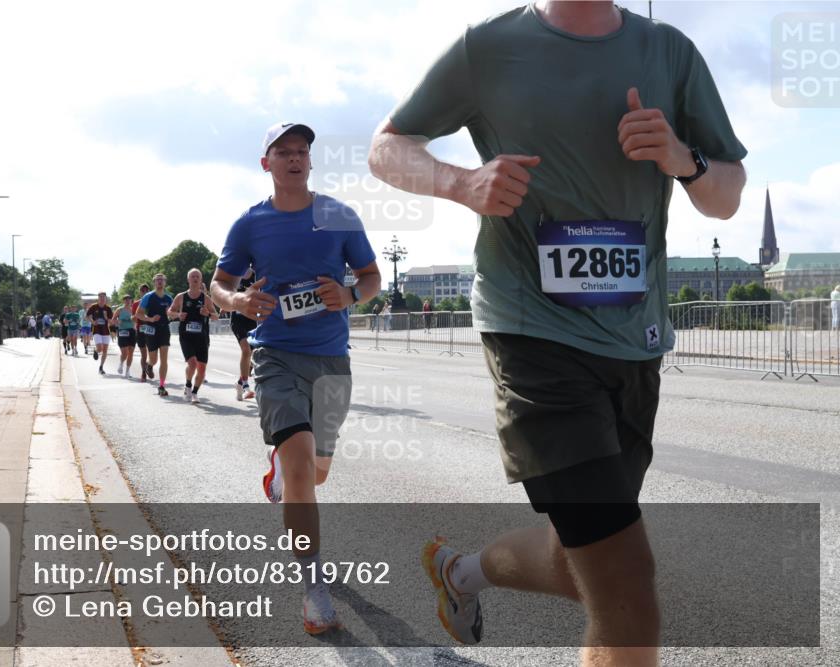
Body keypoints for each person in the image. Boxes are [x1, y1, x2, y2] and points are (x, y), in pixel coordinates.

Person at [368, 1, 747, 662]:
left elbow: (727, 193)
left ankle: (460, 573)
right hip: (530, 331)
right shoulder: (488, 47)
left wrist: (683, 160)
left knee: (583, 560)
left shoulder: (669, 51)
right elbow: (386, 147)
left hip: (633, 339)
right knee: (627, 589)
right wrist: (463, 183)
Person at [211, 121, 381, 635]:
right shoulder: (249, 225)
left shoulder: (338, 216)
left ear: (310, 160)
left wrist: (351, 295)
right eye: (283, 152)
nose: (294, 159)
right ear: (266, 163)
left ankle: (282, 473)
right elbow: (220, 284)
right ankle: (312, 585)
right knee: (306, 470)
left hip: (331, 360)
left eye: (302, 151)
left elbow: (372, 277)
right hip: (276, 356)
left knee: (316, 472)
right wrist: (239, 300)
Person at [171, 268, 219, 404]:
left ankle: (194, 392)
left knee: (202, 368)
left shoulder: (206, 299)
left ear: (201, 280)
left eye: (197, 276)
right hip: (186, 336)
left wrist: (208, 314)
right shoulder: (181, 297)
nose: (195, 278)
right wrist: (178, 315)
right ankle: (187, 384)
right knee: (192, 363)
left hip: (202, 337)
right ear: (188, 280)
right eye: (192, 276)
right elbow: (170, 311)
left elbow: (216, 316)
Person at [136, 274, 174, 396]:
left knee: (164, 359)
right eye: (157, 280)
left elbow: (173, 315)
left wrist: (171, 314)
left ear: (165, 283)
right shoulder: (148, 296)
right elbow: (138, 314)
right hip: (151, 329)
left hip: (164, 329)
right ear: (154, 283)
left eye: (161, 280)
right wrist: (151, 319)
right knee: (154, 359)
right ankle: (148, 365)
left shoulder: (169, 298)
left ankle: (162, 386)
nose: (159, 282)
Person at [228, 268, 259, 400]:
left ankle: (239, 383)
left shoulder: (258, 275)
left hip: (253, 318)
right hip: (238, 319)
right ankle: (246, 386)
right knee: (246, 350)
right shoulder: (234, 275)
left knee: (254, 353)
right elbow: (225, 294)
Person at [85, 293, 114, 375]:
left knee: (105, 350)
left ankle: (101, 367)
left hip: (106, 331)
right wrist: (93, 322)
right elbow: (87, 317)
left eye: (103, 297)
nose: (102, 299)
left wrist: (106, 318)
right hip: (96, 330)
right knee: (100, 348)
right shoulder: (94, 307)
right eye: (100, 297)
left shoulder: (108, 308)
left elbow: (111, 321)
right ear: (98, 298)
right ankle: (96, 350)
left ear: (106, 299)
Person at [131, 283, 153, 382]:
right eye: (142, 291)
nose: (144, 292)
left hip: (152, 330)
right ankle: (143, 372)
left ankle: (149, 366)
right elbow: (133, 317)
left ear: (148, 291)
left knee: (152, 354)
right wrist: (135, 318)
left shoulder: (153, 302)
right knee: (144, 354)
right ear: (140, 292)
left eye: (146, 290)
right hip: (140, 330)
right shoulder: (136, 304)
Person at [111, 294, 136, 377]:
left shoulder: (134, 309)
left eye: (129, 299)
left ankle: (128, 371)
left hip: (132, 331)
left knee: (131, 352)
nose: (127, 300)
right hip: (122, 331)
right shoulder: (119, 310)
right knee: (125, 352)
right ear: (123, 301)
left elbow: (137, 319)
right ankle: (121, 364)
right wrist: (117, 322)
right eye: (125, 299)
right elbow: (113, 320)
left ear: (131, 300)